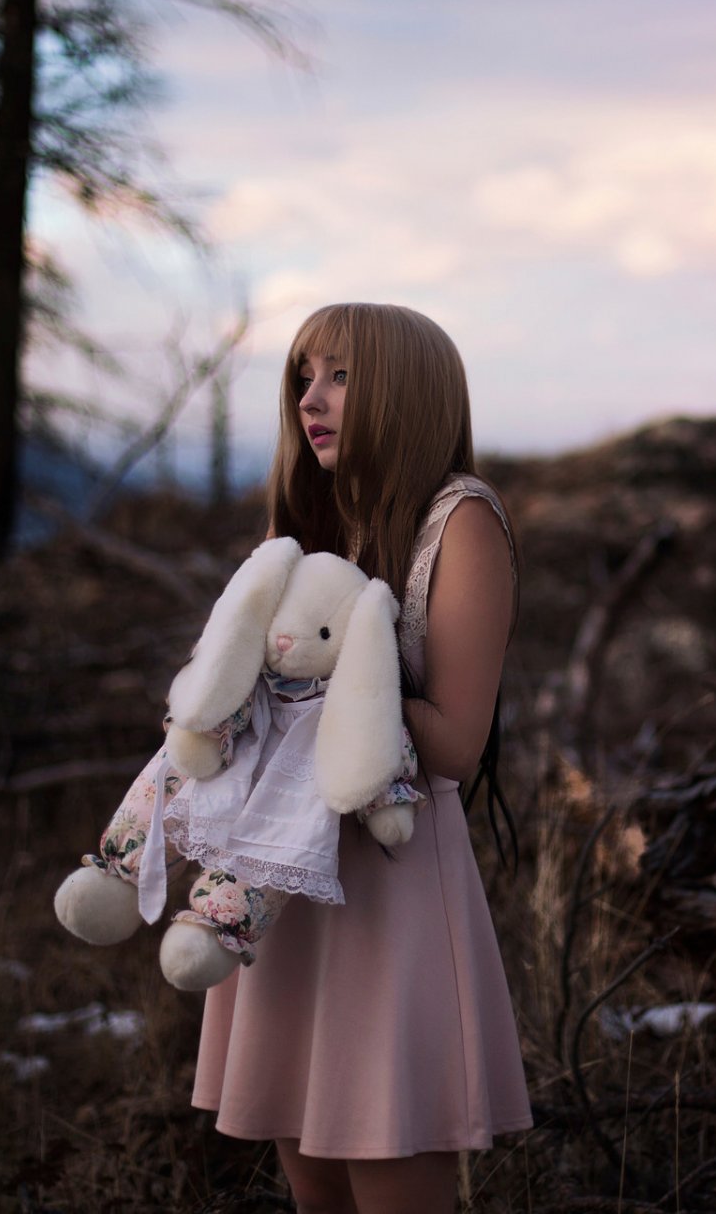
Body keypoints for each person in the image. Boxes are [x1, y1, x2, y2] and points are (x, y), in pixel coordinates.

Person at [189, 302, 533, 1213]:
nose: (311, 398)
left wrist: (325, 685)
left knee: (390, 1178)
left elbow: (456, 742)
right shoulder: (306, 522)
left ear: (406, 391)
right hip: (285, 871)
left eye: (340, 375)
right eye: (304, 377)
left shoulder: (460, 521)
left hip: (391, 883)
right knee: (317, 1194)